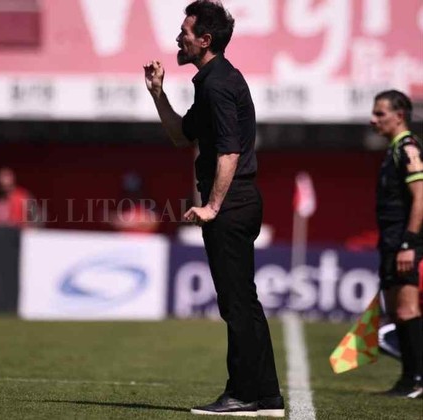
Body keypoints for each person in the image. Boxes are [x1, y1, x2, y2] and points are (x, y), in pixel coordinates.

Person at [143, 1, 283, 416]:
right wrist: (158, 94)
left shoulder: (218, 84)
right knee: (243, 302)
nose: (178, 37)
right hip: (239, 201)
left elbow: (229, 151)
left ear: (205, 40)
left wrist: (211, 206)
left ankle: (242, 394)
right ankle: (267, 396)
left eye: (185, 32)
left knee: (236, 305)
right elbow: (180, 135)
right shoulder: (212, 81)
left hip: (232, 203)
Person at [370, 89, 423, 398]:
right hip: (390, 240)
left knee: (407, 310)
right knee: (395, 311)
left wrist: (409, 244)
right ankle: (408, 379)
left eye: (380, 113)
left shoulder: (408, 149)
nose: (373, 119)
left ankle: (417, 379)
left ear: (399, 116)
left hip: (404, 242)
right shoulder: (393, 150)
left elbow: (420, 198)